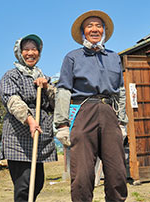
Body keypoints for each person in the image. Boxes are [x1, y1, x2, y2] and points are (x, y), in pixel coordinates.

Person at [54, 10, 128, 201]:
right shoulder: (72, 57)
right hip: (83, 113)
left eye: (98, 26)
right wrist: (62, 124)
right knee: (83, 174)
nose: (94, 29)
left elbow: (120, 91)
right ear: (82, 32)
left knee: (117, 173)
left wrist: (122, 122)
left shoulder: (114, 57)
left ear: (103, 31)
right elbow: (63, 90)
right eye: (89, 26)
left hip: (110, 114)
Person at [0, 34, 57, 202]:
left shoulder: (43, 77)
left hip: (39, 136)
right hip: (19, 135)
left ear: (39, 53)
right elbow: (12, 101)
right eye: (26, 49)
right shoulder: (11, 75)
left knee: (38, 182)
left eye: (34, 49)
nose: (30, 53)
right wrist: (30, 120)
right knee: (24, 184)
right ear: (19, 52)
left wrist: (47, 87)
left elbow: (55, 104)